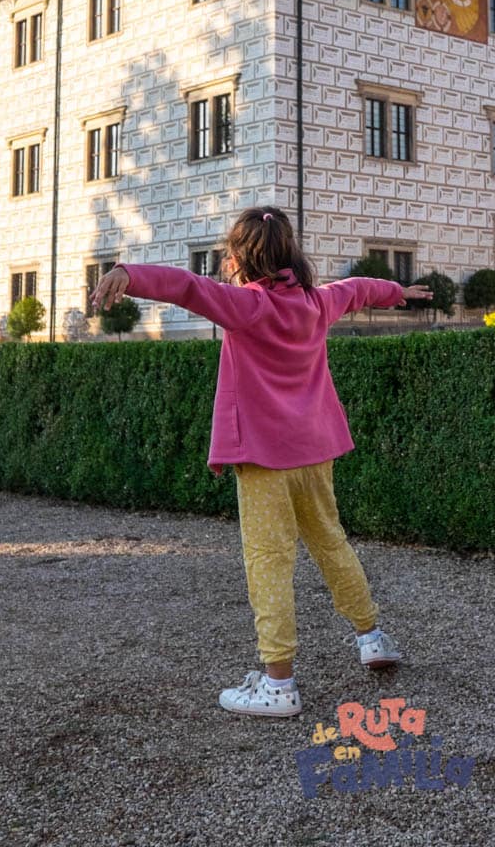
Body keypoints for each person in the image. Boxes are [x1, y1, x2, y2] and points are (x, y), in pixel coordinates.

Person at [88, 206, 429, 719]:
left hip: (265, 457)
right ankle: (372, 636)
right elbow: (358, 287)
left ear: (239, 258)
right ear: (289, 252)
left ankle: (279, 684)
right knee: (330, 541)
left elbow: (185, 287)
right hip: (314, 450)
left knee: (269, 561)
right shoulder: (317, 303)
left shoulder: (246, 307)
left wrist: (128, 274)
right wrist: (397, 292)